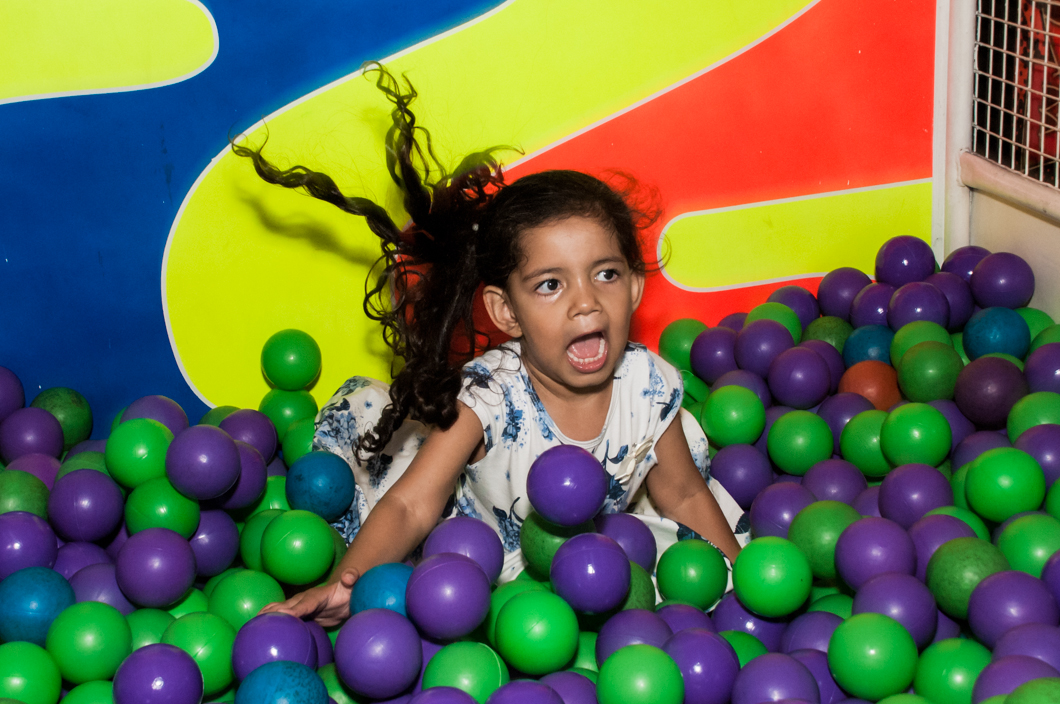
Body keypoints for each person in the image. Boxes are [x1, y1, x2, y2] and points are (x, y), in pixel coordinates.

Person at [234, 64, 748, 626]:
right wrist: (345, 584)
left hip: (598, 554)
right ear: (507, 312)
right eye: (550, 285)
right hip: (476, 557)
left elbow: (684, 496)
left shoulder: (649, 385)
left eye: (605, 274)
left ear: (634, 286)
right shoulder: (488, 395)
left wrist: (740, 575)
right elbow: (412, 503)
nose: (585, 302)